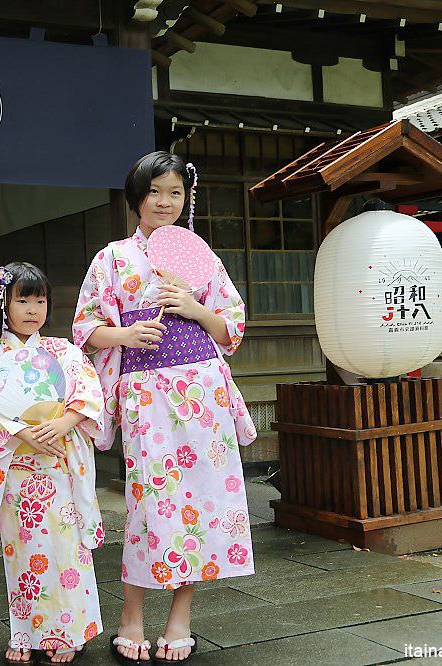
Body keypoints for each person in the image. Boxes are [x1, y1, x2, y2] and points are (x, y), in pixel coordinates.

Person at [72, 151, 258, 665]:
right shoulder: (112, 258)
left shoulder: (202, 256)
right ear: (137, 197)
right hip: (145, 390)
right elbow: (84, 330)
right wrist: (128, 333)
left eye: (175, 193)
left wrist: (196, 308)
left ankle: (181, 616)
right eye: (155, 191)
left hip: (202, 390)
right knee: (148, 502)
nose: (165, 202)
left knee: (202, 498)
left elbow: (232, 329)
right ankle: (131, 615)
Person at [0, 262, 105, 665]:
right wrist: (21, 432)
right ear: (4, 305)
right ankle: (24, 632)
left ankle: (68, 632)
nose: (32, 309)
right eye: (21, 300)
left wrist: (64, 421)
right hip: (18, 471)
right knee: (22, 555)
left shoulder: (64, 351)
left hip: (59, 465)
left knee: (66, 550)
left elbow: (88, 393)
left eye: (40, 300)